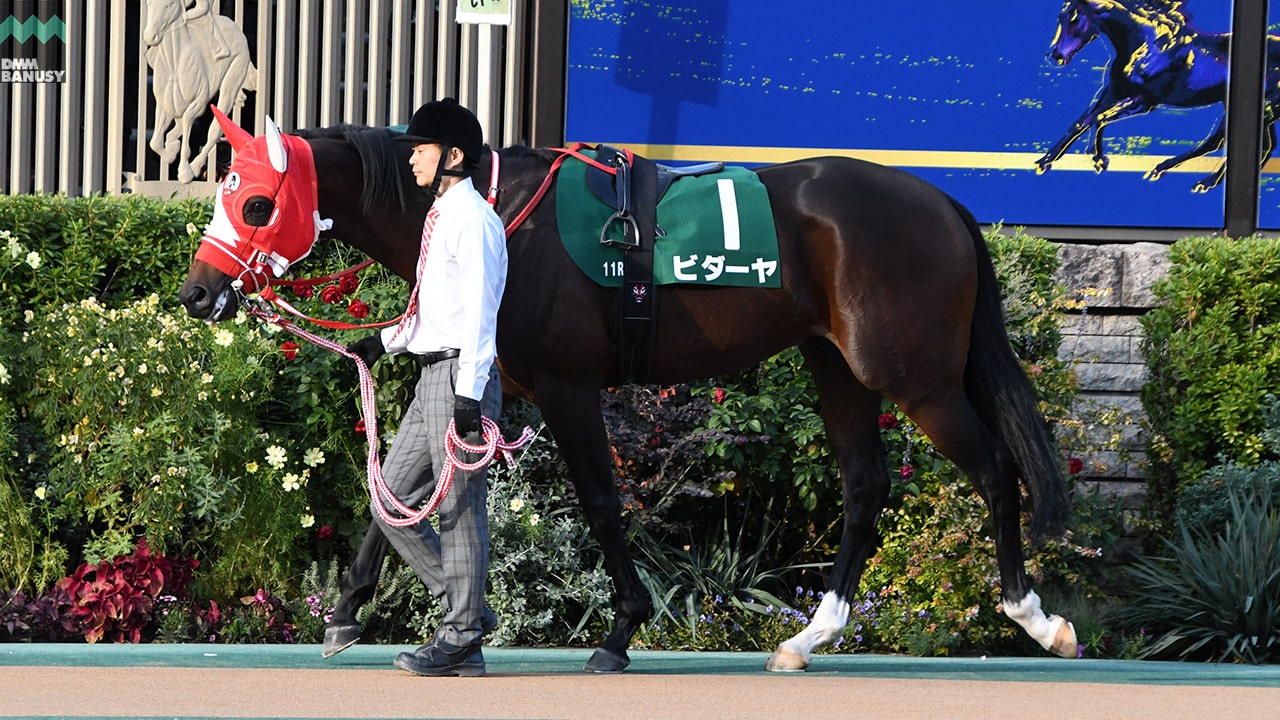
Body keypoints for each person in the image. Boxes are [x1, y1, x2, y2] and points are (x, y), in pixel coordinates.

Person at [338, 97, 507, 677]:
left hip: (460, 377)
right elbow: (433, 310)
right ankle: (470, 619)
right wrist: (380, 343)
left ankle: (461, 634)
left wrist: (468, 395)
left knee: (460, 511)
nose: (411, 159)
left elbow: (481, 317)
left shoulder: (475, 220)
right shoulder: (441, 217)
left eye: (421, 149)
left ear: (454, 155)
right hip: (430, 374)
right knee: (389, 502)